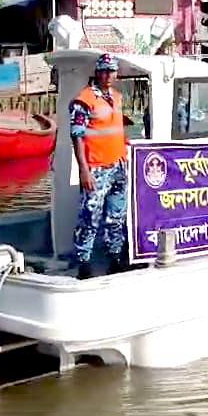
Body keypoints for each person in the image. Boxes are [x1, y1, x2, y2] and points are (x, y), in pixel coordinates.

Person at [70, 53, 129, 279]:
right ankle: (83, 262)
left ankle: (115, 257)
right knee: (90, 216)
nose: (108, 75)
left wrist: (124, 148)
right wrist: (83, 169)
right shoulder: (84, 99)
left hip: (118, 165)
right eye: (104, 71)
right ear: (97, 72)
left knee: (116, 216)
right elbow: (77, 136)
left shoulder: (117, 96)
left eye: (112, 71)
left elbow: (117, 128)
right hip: (95, 167)